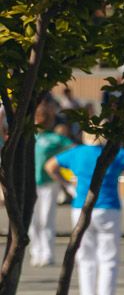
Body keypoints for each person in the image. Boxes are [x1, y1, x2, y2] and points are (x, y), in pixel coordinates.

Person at [44, 130, 124, 295]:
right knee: (108, 258)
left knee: (85, 257)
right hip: (108, 207)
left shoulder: (77, 152)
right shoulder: (113, 152)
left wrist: (68, 186)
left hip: (81, 206)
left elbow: (50, 166)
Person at [30, 98, 74, 267]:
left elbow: (72, 149)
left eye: (44, 115)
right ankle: (36, 251)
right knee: (32, 220)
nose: (41, 119)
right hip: (31, 184)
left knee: (46, 218)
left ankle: (47, 252)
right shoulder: (30, 136)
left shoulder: (55, 138)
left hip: (49, 184)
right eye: (39, 115)